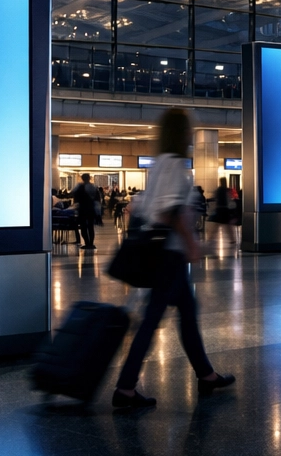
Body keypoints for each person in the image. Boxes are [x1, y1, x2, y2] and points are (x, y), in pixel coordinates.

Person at [113, 108, 235, 410]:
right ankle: (125, 387)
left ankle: (206, 374)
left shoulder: (162, 164)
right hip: (169, 255)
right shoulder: (174, 165)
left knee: (187, 312)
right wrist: (192, 243)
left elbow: (147, 207)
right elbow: (169, 211)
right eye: (188, 130)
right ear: (181, 133)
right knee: (153, 319)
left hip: (168, 255)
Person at [70, 173, 103, 251]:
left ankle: (87, 243)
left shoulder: (79, 186)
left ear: (82, 178)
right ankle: (91, 243)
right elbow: (97, 200)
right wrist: (98, 212)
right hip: (91, 209)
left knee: (83, 227)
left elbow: (73, 195)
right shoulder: (94, 187)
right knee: (91, 227)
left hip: (82, 209)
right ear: (89, 178)